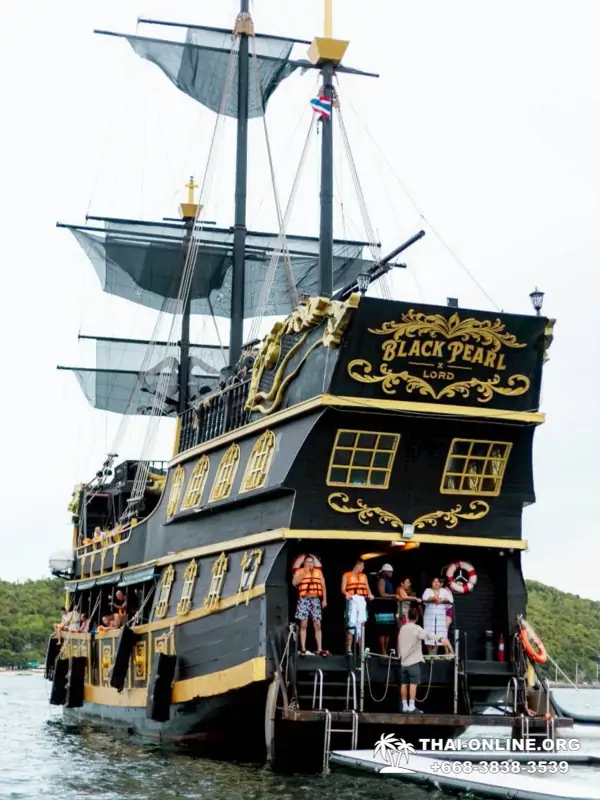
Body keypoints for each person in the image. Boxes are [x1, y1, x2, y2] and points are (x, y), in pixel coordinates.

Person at [398, 607, 453, 713]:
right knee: (413, 684)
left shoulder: (402, 628)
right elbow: (427, 635)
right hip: (413, 661)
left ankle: (405, 706)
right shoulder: (417, 628)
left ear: (408, 616)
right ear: (417, 617)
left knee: (404, 684)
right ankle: (412, 706)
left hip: (403, 662)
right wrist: (440, 639)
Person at [292, 556, 329, 657]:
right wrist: (304, 574)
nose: (309, 564)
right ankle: (303, 648)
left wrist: (324, 600)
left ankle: (319, 649)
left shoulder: (318, 572)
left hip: (315, 599)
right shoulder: (300, 571)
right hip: (304, 599)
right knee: (304, 624)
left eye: (311, 562)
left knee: (317, 624)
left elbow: (323, 586)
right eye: (308, 562)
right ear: (304, 563)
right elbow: (294, 582)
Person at [342, 560, 374, 656]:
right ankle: (349, 649)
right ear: (357, 565)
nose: (363, 568)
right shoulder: (346, 575)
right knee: (351, 623)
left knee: (361, 624)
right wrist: (347, 593)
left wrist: (370, 595)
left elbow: (367, 589)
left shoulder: (364, 576)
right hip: (352, 602)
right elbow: (343, 589)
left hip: (362, 602)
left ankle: (361, 651)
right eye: (362, 566)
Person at [422, 577, 454, 655]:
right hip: (429, 617)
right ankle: (430, 654)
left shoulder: (444, 591)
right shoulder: (428, 590)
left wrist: (441, 599)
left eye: (438, 582)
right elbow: (424, 598)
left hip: (440, 617)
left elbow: (451, 600)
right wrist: (434, 598)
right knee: (429, 634)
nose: (436, 583)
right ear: (431, 583)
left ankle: (435, 654)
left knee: (440, 634)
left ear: (440, 583)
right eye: (434, 581)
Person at [375, 564, 397, 655]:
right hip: (382, 609)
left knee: (388, 632)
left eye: (391, 572)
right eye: (389, 572)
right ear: (384, 572)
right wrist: (395, 596)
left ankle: (386, 649)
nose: (390, 573)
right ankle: (382, 651)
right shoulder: (381, 580)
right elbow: (382, 594)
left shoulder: (389, 582)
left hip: (389, 608)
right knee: (383, 631)